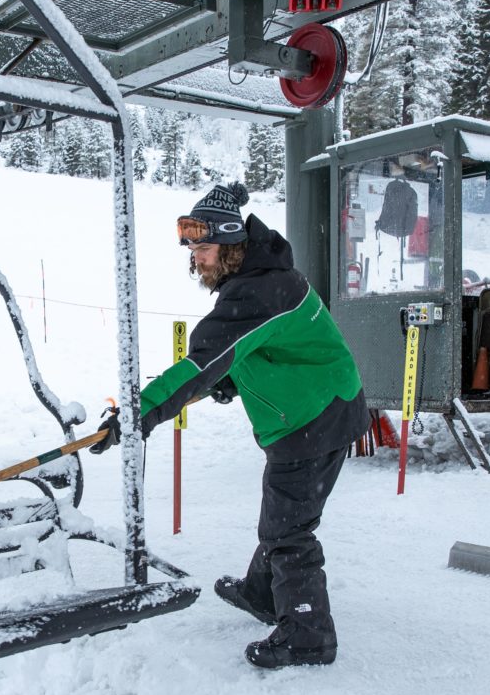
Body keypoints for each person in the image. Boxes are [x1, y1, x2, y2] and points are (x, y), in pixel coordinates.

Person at [92, 182, 368, 669]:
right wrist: (233, 381)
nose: (196, 259)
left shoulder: (259, 291)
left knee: (289, 530)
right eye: (193, 249)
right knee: (282, 516)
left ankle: (307, 635)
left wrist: (139, 415)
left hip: (312, 417)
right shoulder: (262, 278)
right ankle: (264, 595)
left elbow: (202, 362)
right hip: (319, 404)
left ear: (231, 244)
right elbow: (264, 348)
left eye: (203, 248)